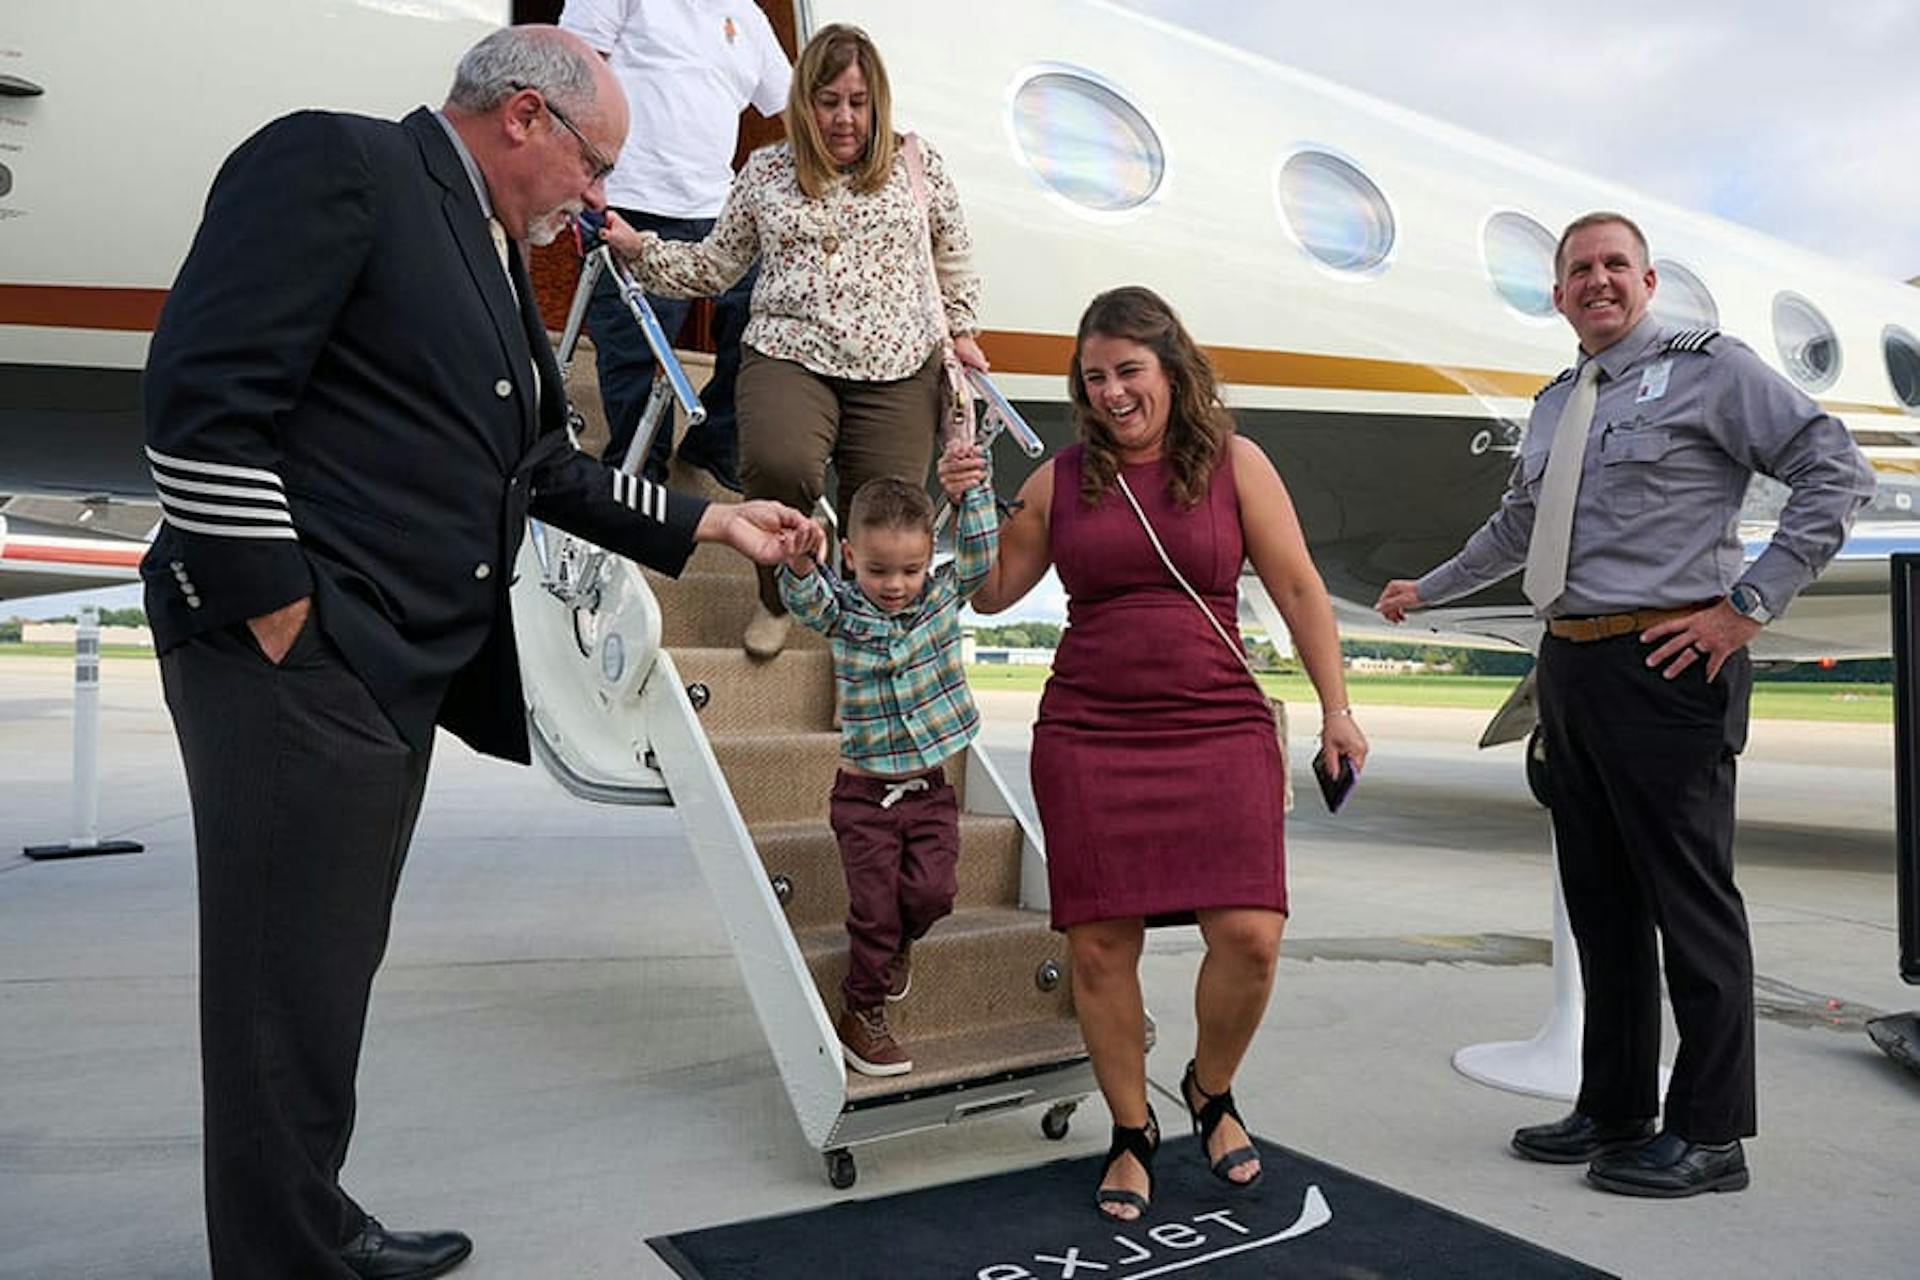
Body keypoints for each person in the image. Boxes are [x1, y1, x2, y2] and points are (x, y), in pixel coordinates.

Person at [140, 26, 816, 1279]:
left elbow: (541, 466)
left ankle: (313, 1220)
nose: (595, 195)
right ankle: (282, 1257)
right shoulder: (341, 166)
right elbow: (198, 395)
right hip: (302, 659)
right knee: (280, 992)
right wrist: (280, 613)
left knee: (321, 976)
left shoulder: (488, 247)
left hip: (380, 668)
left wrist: (708, 521)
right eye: (593, 162)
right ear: (523, 116)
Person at [1375, 211, 1874, 1198]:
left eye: (1615, 265)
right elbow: (1518, 525)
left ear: (1647, 283)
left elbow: (1834, 472)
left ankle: (1711, 1134)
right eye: (1579, 269)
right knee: (1601, 905)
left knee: (1691, 905)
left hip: (1668, 662)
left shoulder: (1713, 371)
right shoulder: (1559, 401)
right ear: (1558, 293)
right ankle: (1614, 1107)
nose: (1597, 280)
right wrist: (1428, 589)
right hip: (1572, 662)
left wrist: (1747, 606)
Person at [970, 286, 1368, 1221]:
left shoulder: (1236, 462)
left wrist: (1338, 710)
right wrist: (966, 508)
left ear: (1173, 370)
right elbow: (989, 593)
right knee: (1102, 946)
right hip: (1090, 732)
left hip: (1217, 723)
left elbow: (1300, 589)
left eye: (1129, 371)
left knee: (1251, 936)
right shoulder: (1060, 479)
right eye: (1094, 377)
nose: (1112, 393)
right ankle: (1129, 1128)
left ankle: (1209, 1089)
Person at [605, 21, 986, 659]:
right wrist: (639, 249)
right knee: (779, 465)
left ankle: (868, 643)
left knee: (888, 510)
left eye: (858, 102)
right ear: (804, 102)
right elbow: (715, 266)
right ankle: (779, 596)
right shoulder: (766, 171)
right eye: (828, 101)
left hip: (897, 361)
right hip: (789, 353)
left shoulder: (916, 164)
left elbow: (954, 255)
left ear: (878, 103)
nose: (844, 119)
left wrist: (964, 329)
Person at [774, 440, 998, 1077]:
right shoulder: (844, 612)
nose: (895, 585)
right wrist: (800, 564)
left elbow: (980, 557)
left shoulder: (940, 599)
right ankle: (861, 1011)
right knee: (873, 911)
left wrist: (972, 492)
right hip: (864, 800)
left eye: (910, 569)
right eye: (877, 570)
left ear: (929, 558)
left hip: (930, 793)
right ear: (850, 557)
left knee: (934, 894)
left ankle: (900, 944)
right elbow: (807, 602)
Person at [557, 0, 790, 488]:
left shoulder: (748, 16)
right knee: (638, 355)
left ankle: (716, 443)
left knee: (772, 316)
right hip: (627, 202)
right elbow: (571, 75)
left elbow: (797, 110)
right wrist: (578, 183)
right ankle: (641, 478)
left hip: (720, 212)